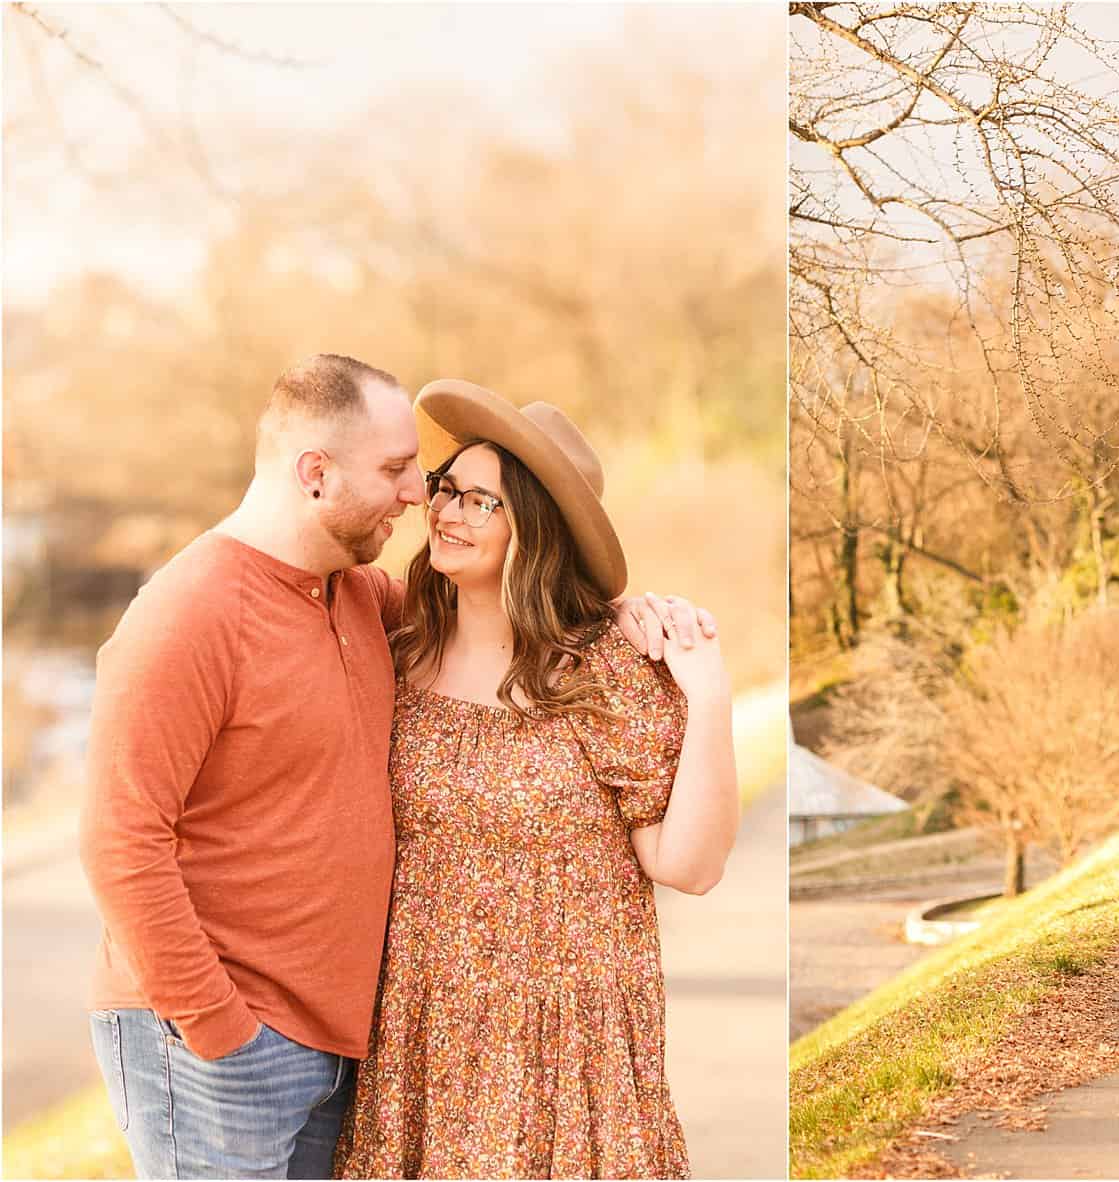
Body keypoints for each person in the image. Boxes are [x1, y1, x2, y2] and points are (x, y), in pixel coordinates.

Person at [79, 355, 702, 1179]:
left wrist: (615, 612)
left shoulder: (363, 603)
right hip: (221, 1047)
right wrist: (217, 1027)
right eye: (398, 470)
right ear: (315, 474)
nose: (418, 495)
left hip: (341, 1047)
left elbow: (503, 619)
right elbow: (120, 841)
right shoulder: (188, 616)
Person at [332, 380, 739, 1179]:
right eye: (446, 489)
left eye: (480, 501)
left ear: (537, 530)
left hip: (565, 1050)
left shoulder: (606, 671)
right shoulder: (397, 654)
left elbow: (688, 865)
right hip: (421, 1035)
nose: (446, 511)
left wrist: (711, 692)